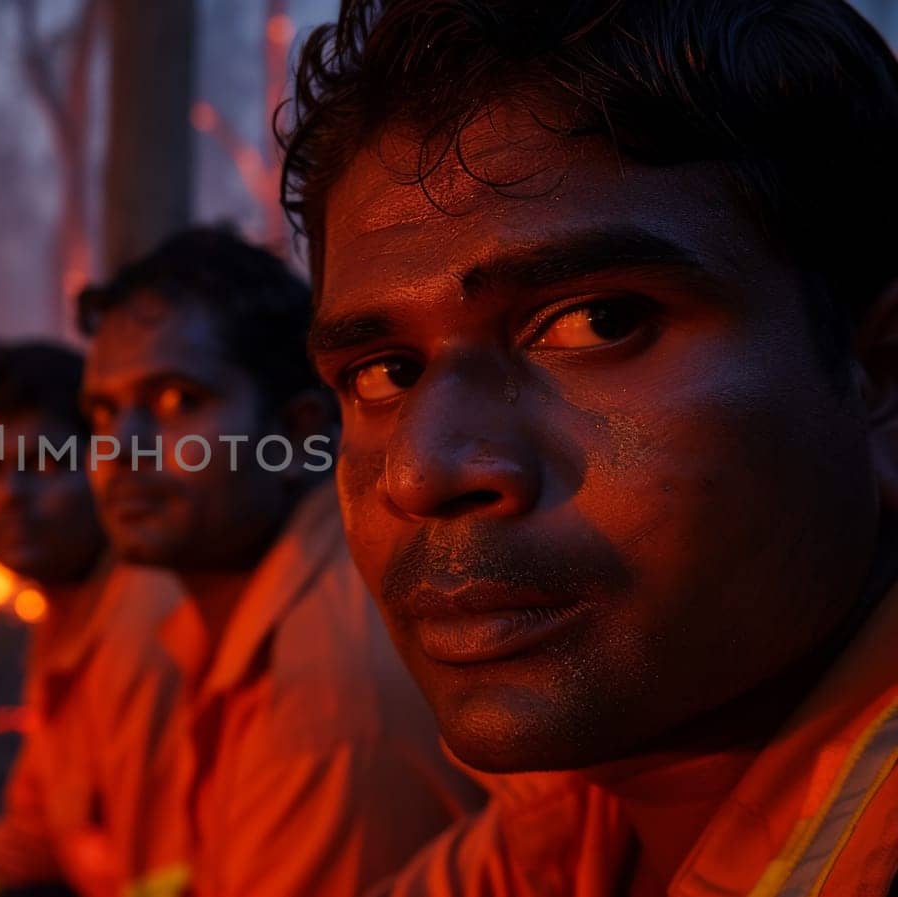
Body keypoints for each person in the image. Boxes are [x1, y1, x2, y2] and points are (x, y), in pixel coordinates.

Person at [283, 1, 898, 894]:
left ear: (879, 383)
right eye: (383, 371)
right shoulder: (575, 821)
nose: (422, 471)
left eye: (596, 321)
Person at [76, 228, 478, 897]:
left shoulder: (322, 701)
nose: (122, 446)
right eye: (102, 411)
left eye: (178, 400)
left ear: (296, 435)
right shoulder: (226, 615)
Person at [0, 341, 187, 897]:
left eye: (43, 464)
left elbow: (171, 879)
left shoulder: (150, 630)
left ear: (107, 467)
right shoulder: (67, 619)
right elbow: (40, 831)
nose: (10, 495)